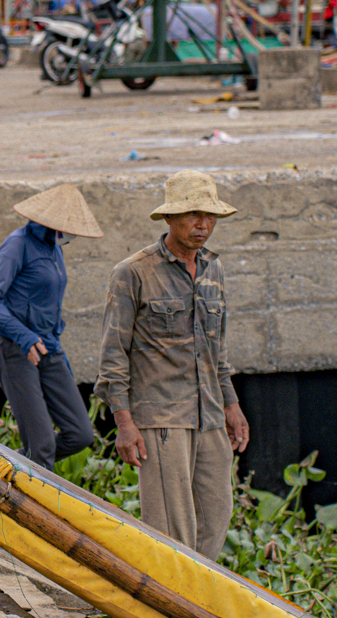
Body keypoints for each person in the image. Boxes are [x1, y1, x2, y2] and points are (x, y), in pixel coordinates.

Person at [96, 169, 249, 558]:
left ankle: (197, 606)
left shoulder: (214, 269)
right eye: (192, 215)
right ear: (169, 218)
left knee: (216, 518)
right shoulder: (132, 272)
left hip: (210, 412)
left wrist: (231, 405)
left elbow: (217, 349)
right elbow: (113, 355)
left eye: (210, 216)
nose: (203, 225)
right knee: (171, 531)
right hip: (161, 417)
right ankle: (169, 607)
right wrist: (125, 424)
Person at [0, 183, 102, 469]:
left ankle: (17, 467)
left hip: (50, 348)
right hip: (17, 350)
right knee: (43, 444)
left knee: (81, 434)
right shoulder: (18, 244)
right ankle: (31, 484)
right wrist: (25, 338)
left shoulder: (54, 247)